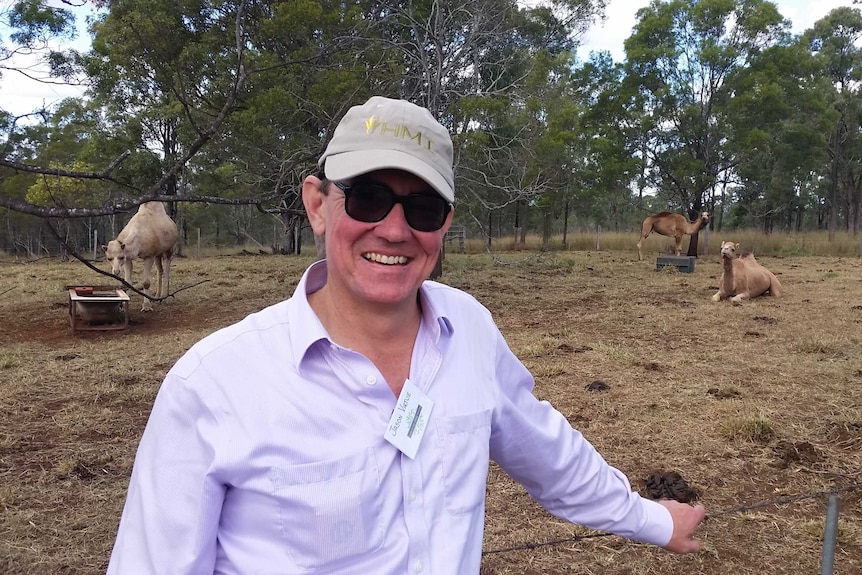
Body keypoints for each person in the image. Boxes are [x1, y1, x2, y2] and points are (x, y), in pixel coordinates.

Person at [106, 95, 705, 574]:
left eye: (421, 209)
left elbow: (546, 450)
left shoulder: (468, 327)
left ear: (444, 223)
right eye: (368, 197)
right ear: (318, 205)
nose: (394, 230)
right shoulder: (212, 385)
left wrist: (654, 520)